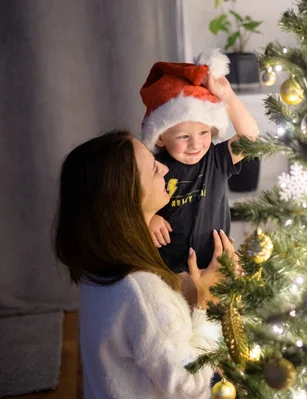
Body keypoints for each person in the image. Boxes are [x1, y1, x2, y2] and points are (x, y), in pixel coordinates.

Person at [54, 130, 233, 399]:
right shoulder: (142, 292)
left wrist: (184, 296)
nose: (164, 168)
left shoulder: (100, 265)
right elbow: (189, 383)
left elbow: (146, 335)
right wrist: (207, 303)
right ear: (126, 197)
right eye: (152, 169)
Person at [140, 49, 259, 274]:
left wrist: (228, 97)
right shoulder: (153, 168)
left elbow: (250, 138)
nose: (196, 145)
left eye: (204, 133)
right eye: (184, 137)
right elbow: (128, 204)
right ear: (161, 137)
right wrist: (149, 217)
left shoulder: (216, 159)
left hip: (217, 264)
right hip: (170, 272)